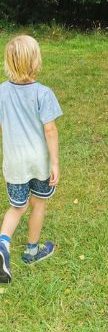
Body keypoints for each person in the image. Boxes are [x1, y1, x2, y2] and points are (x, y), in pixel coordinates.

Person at [0, 36, 62, 284]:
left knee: (17, 207)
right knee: (38, 204)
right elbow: (50, 131)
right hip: (39, 164)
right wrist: (55, 163)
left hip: (14, 163)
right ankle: (32, 252)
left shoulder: (1, 92)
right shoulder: (43, 93)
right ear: (36, 61)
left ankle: (2, 244)